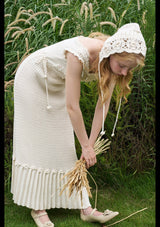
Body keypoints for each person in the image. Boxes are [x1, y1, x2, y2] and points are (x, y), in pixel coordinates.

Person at [11, 23, 146, 226]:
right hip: (33, 78)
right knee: (36, 142)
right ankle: (37, 208)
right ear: (112, 53)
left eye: (130, 68)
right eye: (123, 65)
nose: (125, 73)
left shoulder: (110, 65)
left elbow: (102, 106)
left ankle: (85, 208)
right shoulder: (79, 53)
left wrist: (89, 145)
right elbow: (73, 107)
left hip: (56, 83)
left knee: (65, 143)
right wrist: (84, 145)